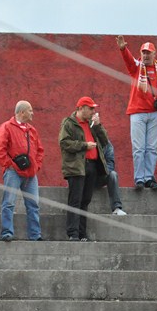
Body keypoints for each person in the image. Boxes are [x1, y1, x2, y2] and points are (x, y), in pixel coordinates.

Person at [116, 36, 157, 190]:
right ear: (141, 54)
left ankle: (149, 178)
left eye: (148, 53)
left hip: (155, 114)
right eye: (144, 52)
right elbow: (129, 60)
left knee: (152, 148)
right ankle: (139, 179)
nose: (146, 55)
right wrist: (123, 49)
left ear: (154, 54)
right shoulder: (136, 67)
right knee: (139, 148)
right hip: (138, 112)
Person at [59, 96, 109, 242]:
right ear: (81, 108)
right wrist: (84, 145)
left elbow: (105, 141)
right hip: (76, 167)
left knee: (85, 200)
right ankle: (73, 233)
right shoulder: (68, 123)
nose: (93, 111)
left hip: (92, 166)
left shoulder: (92, 124)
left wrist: (98, 126)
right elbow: (64, 143)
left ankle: (82, 234)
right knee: (75, 200)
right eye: (90, 108)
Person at [0, 100, 44, 242]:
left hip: (31, 174)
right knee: (9, 203)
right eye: (30, 110)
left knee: (33, 205)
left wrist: (36, 166)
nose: (32, 113)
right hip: (13, 173)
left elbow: (40, 150)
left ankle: (35, 235)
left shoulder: (32, 130)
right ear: (22, 112)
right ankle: (7, 232)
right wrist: (10, 165)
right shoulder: (6, 127)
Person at [96, 139, 126, 216]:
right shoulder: (84, 142)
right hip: (85, 178)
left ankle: (116, 208)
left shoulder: (106, 143)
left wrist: (100, 172)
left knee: (113, 174)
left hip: (99, 177)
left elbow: (110, 164)